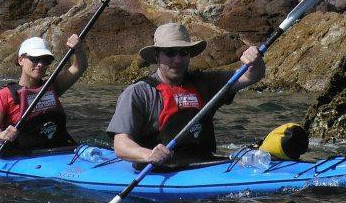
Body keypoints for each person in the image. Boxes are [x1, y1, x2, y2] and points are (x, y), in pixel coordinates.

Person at [106, 23, 266, 166]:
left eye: (183, 53)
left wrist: (255, 61)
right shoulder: (138, 92)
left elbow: (251, 76)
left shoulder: (205, 82)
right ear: (157, 56)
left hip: (203, 164)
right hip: (159, 169)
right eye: (170, 53)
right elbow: (121, 145)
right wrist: (148, 155)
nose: (177, 60)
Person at [0, 34, 87, 151]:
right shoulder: (3, 95)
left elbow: (79, 67)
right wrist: (2, 135)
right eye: (35, 59)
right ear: (21, 60)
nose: (41, 64)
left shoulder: (52, 87)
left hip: (59, 151)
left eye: (46, 60)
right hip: (25, 156)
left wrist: (78, 49)